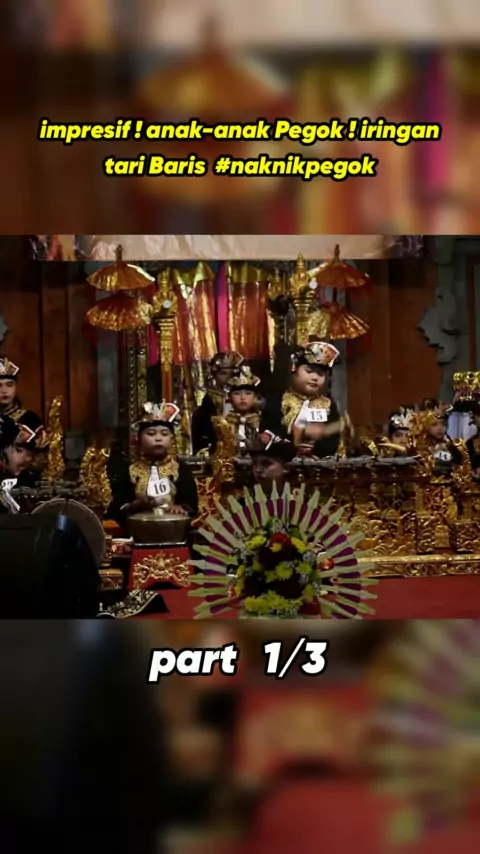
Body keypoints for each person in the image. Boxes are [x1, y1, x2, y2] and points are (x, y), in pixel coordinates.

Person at [107, 400, 198, 528]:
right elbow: (115, 508)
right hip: (136, 530)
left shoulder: (181, 469)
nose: (158, 438)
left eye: (164, 434)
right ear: (138, 438)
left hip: (173, 530)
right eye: (151, 433)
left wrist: (180, 507)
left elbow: (192, 505)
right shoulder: (127, 470)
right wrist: (136, 505)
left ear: (172, 439)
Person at [280, 342, 342, 457]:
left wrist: (318, 446)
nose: (314, 377)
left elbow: (334, 439)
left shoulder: (328, 404)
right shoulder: (281, 399)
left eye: (320, 374)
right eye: (308, 371)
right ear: (294, 370)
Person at [191, 350, 244, 453]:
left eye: (232, 374)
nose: (228, 377)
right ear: (214, 374)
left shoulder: (242, 397)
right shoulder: (209, 400)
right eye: (223, 373)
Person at [0, 356, 47, 450]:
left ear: (16, 387)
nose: (4, 391)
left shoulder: (30, 419)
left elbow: (42, 453)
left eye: (9, 385)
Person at [225, 366, 263, 452]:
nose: (242, 397)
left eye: (248, 393)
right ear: (229, 397)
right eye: (237, 393)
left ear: (255, 397)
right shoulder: (225, 423)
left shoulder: (262, 422)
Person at [249, 430, 296, 495]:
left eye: (266, 463)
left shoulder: (299, 499)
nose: (258, 470)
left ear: (286, 467)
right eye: (254, 463)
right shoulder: (243, 499)